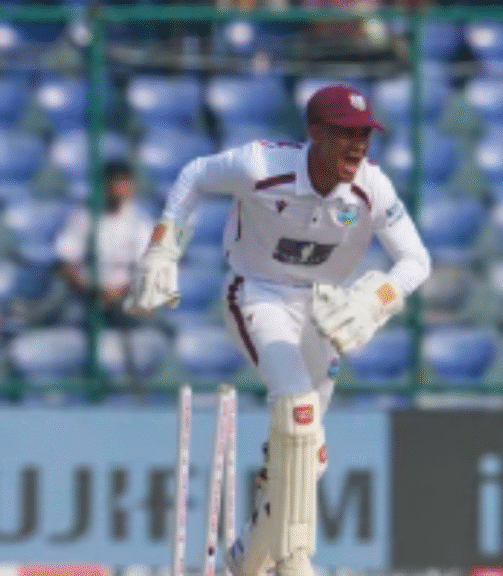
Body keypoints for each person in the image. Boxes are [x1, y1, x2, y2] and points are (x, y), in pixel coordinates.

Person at [124, 84, 431, 576]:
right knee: (298, 411)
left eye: (365, 134)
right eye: (346, 133)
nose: (358, 146)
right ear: (315, 131)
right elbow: (195, 174)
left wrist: (375, 301)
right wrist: (163, 247)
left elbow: (416, 260)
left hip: (322, 308)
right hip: (259, 293)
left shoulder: (372, 187)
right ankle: (294, 558)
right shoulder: (261, 165)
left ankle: (248, 558)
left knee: (308, 455)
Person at [55, 160, 154, 324]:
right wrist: (93, 291)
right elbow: (65, 262)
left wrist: (119, 292)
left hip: (127, 294)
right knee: (66, 319)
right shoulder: (83, 216)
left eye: (125, 182)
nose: (120, 189)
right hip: (85, 294)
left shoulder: (141, 220)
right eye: (115, 182)